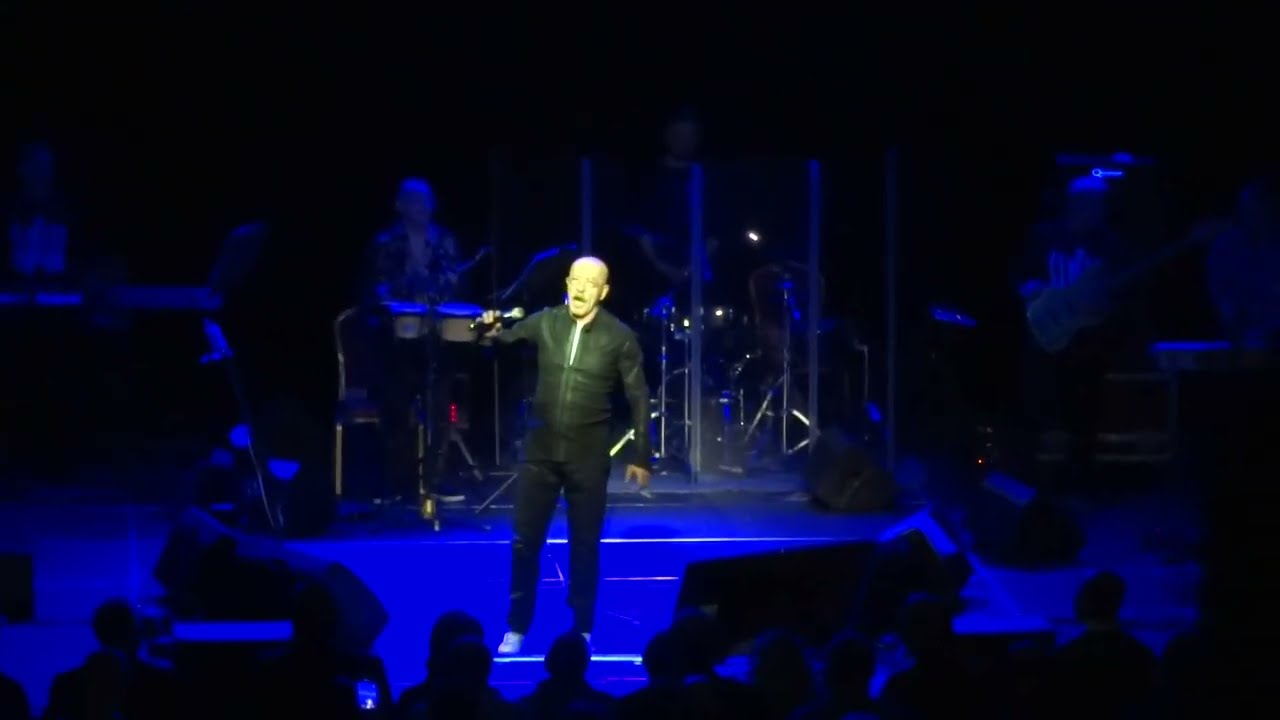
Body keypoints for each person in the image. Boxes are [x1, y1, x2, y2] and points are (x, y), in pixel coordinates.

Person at [479, 256, 652, 654]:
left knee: (584, 546)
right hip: (539, 453)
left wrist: (642, 454)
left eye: (591, 282)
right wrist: (489, 332)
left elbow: (638, 396)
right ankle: (517, 626)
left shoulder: (619, 336)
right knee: (524, 543)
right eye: (575, 279)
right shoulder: (546, 321)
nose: (581, 288)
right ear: (567, 283)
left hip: (587, 457)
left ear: (603, 292)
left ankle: (582, 627)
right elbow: (504, 339)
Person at [1012, 173, 1148, 488]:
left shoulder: (1113, 245)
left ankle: (1080, 476)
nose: (1092, 209)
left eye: (1098, 204)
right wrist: (1029, 288)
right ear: (1072, 203)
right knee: (1037, 403)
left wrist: (1103, 305)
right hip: (1043, 333)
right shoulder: (1043, 236)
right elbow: (1019, 272)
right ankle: (1031, 477)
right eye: (1086, 202)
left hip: (1089, 341)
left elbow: (1122, 295)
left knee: (1084, 407)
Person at [364, 177, 465, 503]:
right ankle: (401, 482)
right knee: (396, 406)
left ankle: (435, 478)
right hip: (396, 340)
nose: (421, 207)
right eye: (413, 201)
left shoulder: (445, 240)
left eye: (425, 201)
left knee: (441, 406)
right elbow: (379, 287)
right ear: (400, 205)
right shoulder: (385, 242)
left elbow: (452, 281)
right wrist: (410, 281)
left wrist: (430, 285)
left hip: (435, 337)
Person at [1206, 176, 1280, 350]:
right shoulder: (1226, 248)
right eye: (1247, 208)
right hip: (1246, 342)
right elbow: (1225, 298)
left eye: (1260, 208)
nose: (1253, 215)